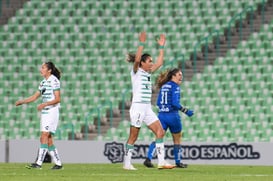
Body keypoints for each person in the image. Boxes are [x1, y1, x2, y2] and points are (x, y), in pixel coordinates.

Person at [123, 31, 175, 170]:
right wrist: (141, 43)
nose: (152, 63)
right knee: (133, 136)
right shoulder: (136, 71)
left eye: (151, 61)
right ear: (142, 63)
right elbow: (137, 59)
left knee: (160, 131)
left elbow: (160, 62)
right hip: (138, 107)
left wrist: (162, 47)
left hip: (146, 107)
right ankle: (127, 164)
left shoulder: (148, 73)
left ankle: (161, 161)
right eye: (149, 61)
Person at [15, 62, 63, 170]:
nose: (40, 69)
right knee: (48, 138)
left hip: (52, 111)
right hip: (45, 112)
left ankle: (38, 163)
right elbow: (34, 97)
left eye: (43, 67)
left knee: (44, 136)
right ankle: (58, 164)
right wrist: (22, 101)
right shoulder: (43, 83)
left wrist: (45, 104)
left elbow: (58, 99)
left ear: (49, 70)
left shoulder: (54, 81)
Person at [143, 68, 194, 168]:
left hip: (162, 115)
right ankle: (178, 162)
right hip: (173, 116)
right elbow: (175, 103)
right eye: (179, 75)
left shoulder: (164, 86)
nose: (181, 77)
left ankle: (148, 158)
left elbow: (158, 103)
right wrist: (186, 111)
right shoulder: (175, 87)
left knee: (159, 137)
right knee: (177, 139)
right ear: (173, 76)